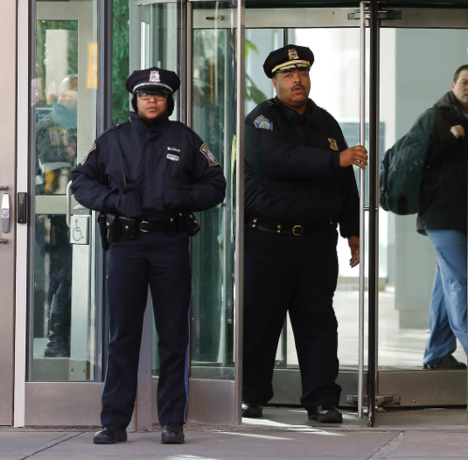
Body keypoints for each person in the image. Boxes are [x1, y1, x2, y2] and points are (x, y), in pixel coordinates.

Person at [71, 67, 226, 445]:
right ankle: (114, 422)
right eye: (145, 95)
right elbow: (81, 181)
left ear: (168, 100)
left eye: (158, 95)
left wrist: (183, 197)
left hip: (170, 244)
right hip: (125, 247)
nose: (152, 100)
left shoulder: (185, 139)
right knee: (122, 335)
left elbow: (216, 184)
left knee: (173, 335)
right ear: (135, 100)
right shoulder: (112, 140)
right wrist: (111, 201)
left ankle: (172, 421)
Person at [242, 44, 367, 424]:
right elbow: (274, 160)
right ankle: (250, 396)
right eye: (288, 75)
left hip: (316, 242)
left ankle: (321, 400)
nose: (297, 80)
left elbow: (344, 179)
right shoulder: (261, 120)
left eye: (302, 73)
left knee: (318, 323)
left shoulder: (324, 121)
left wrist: (352, 230)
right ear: (275, 81)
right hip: (268, 240)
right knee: (262, 320)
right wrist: (335, 159)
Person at [414, 65, 468, 370]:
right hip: (441, 214)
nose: (467, 87)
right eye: (463, 82)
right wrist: (449, 139)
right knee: (461, 281)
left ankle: (437, 353)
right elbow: (417, 157)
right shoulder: (435, 117)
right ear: (452, 85)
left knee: (446, 283)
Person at [35, 74, 79, 357]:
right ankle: (56, 343)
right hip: (58, 213)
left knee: (63, 276)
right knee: (67, 275)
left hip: (71, 210)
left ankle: (61, 340)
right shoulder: (51, 126)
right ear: (63, 97)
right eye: (73, 94)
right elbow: (55, 178)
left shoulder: (81, 122)